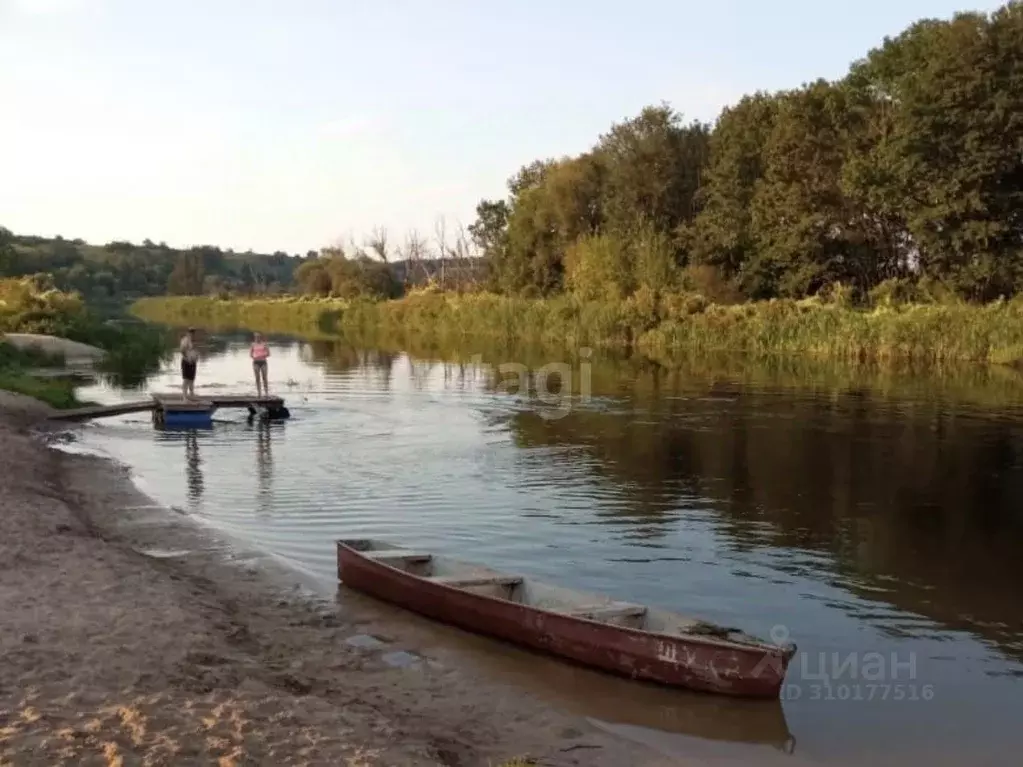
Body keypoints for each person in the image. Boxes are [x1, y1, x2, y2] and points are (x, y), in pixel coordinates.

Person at [179, 327, 199, 398]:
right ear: (187, 332)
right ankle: (184, 397)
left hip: (192, 362)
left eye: (193, 332)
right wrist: (187, 358)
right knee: (186, 380)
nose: (192, 333)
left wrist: (195, 358)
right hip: (186, 362)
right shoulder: (185, 340)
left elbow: (192, 351)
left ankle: (191, 395)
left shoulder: (192, 340)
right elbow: (182, 350)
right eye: (191, 332)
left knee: (192, 379)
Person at [250, 332, 270, 397]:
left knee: (264, 378)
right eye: (256, 337)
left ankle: (266, 393)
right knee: (257, 378)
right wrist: (254, 356)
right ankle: (259, 393)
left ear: (260, 337)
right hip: (256, 363)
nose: (257, 338)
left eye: (258, 337)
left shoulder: (264, 344)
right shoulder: (253, 345)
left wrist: (261, 355)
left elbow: (268, 354)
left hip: (263, 362)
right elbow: (250, 354)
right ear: (254, 338)